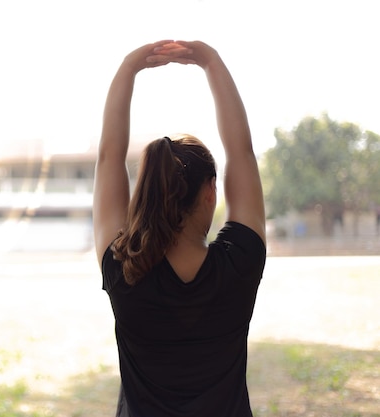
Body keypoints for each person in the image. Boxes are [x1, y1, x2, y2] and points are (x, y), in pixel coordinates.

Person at [92, 40, 267, 417]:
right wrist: (211, 61)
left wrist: (128, 67)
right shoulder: (240, 263)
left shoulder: (124, 269)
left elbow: (108, 157)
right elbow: (242, 151)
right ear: (210, 193)